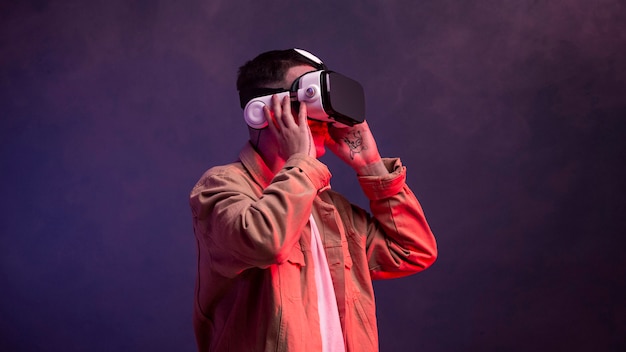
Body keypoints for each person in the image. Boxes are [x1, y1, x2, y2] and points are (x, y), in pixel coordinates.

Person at [189, 48, 438, 352]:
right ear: (263, 110)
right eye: (306, 103)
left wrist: (371, 165)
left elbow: (412, 251)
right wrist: (301, 162)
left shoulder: (330, 208)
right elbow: (266, 241)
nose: (322, 120)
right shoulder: (220, 186)